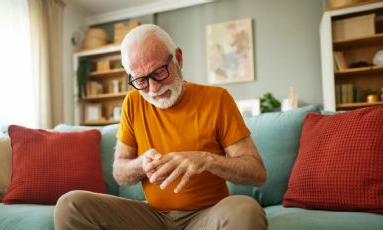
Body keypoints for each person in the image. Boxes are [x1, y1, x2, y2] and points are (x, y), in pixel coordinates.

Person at [54, 24, 267, 230]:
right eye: (141, 80)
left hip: (207, 215)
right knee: (70, 205)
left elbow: (256, 173)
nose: (154, 88)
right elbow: (120, 171)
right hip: (153, 217)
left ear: (179, 59)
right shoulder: (132, 103)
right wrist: (141, 164)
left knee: (245, 210)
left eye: (159, 73)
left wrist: (206, 159)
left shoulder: (217, 99)